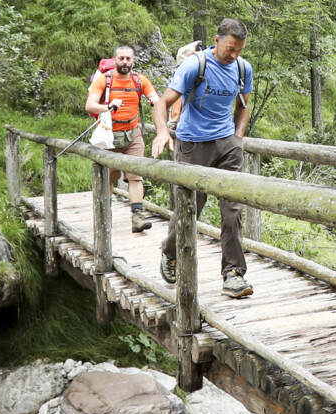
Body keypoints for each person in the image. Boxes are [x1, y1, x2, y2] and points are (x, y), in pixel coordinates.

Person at [153, 18, 256, 298]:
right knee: (189, 208)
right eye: (230, 49)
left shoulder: (243, 68)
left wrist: (238, 136)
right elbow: (163, 103)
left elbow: (244, 103)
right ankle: (170, 252)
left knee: (232, 209)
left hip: (227, 145)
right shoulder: (195, 65)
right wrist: (163, 132)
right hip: (191, 144)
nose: (234, 55)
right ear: (217, 39)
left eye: (239, 50)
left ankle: (233, 274)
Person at [84, 45, 159, 233]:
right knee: (111, 176)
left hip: (133, 133)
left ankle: (137, 217)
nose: (124, 62)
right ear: (115, 59)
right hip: (109, 135)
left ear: (133, 60)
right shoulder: (104, 80)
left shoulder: (140, 80)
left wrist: (155, 102)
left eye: (128, 58)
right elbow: (90, 106)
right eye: (121, 58)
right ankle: (105, 213)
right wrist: (109, 106)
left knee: (135, 175)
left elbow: (156, 99)